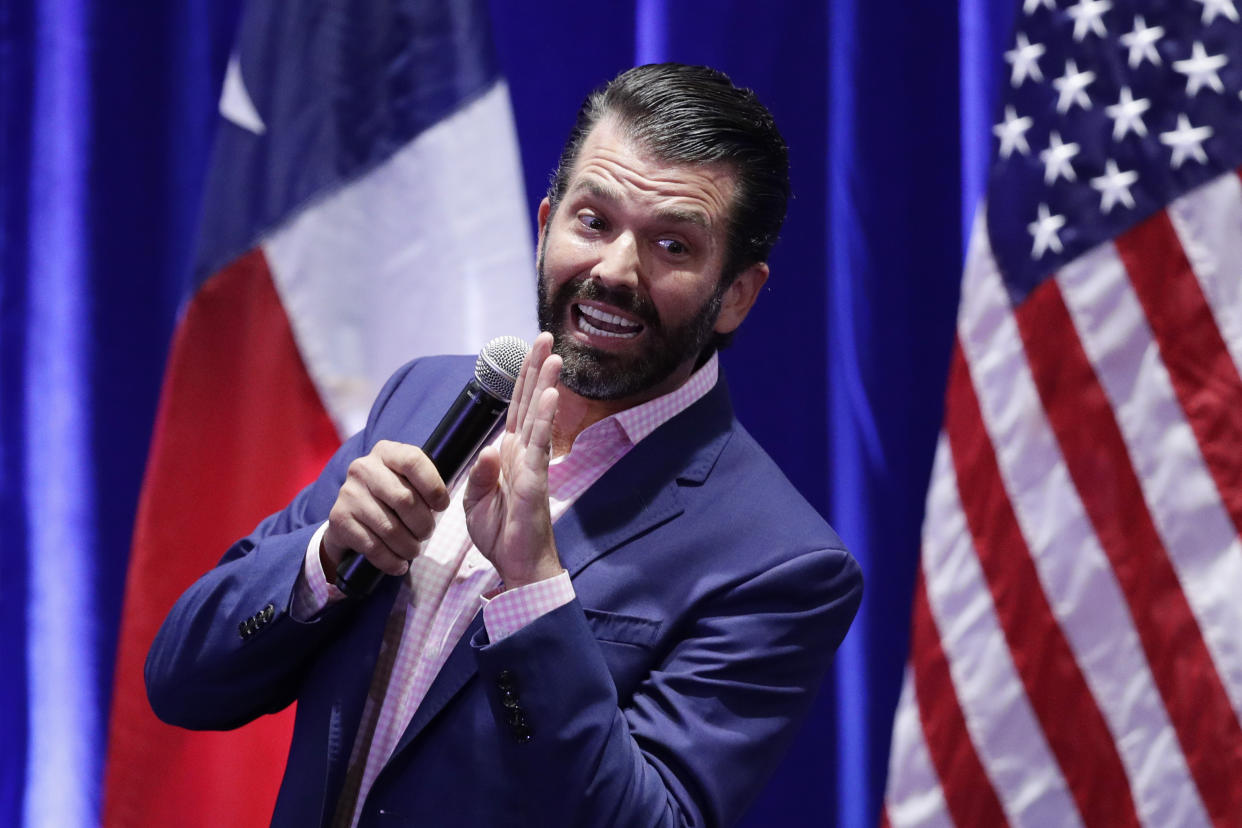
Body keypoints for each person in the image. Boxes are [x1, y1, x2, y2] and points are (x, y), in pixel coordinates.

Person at [146, 63, 863, 828]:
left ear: (739, 295)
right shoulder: (424, 398)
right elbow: (183, 680)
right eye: (593, 222)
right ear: (547, 223)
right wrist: (324, 561)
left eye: (672, 246)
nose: (616, 271)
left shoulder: (782, 563)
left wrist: (534, 592)